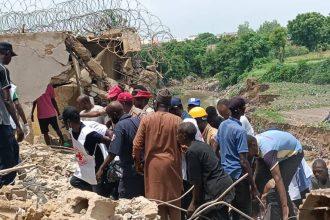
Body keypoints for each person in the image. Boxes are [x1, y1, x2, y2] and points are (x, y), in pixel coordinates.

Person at [133, 89, 183, 220]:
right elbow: (184, 146)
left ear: (155, 104)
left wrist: (137, 163)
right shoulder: (178, 121)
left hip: (153, 166)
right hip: (173, 166)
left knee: (157, 204)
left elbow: (137, 145)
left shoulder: (146, 119)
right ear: (170, 106)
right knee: (175, 204)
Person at [177, 122, 235, 220]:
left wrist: (193, 203)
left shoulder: (191, 152)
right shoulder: (201, 145)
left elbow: (197, 181)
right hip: (224, 184)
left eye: (177, 134)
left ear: (184, 136)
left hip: (216, 189)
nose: (176, 136)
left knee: (215, 216)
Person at [217, 97, 258, 220]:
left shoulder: (223, 125)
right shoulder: (240, 131)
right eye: (244, 107)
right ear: (241, 110)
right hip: (239, 176)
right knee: (244, 211)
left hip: (225, 175)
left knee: (233, 209)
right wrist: (253, 186)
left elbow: (215, 148)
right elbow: (243, 161)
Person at [248, 130, 304, 220]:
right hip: (275, 150)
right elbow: (256, 172)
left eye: (248, 152)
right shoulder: (254, 143)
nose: (248, 155)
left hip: (293, 154)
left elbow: (278, 179)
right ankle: (255, 215)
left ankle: (288, 216)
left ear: (253, 145)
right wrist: (254, 187)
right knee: (257, 184)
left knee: (277, 190)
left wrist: (285, 207)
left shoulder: (268, 152)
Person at [96, 101, 144, 199]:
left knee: (124, 197)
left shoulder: (120, 126)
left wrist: (101, 168)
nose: (110, 119)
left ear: (114, 114)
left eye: (110, 116)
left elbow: (113, 152)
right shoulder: (137, 120)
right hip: (143, 167)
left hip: (130, 170)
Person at [62, 106, 112, 196]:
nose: (63, 124)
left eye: (64, 121)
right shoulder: (72, 129)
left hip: (96, 167)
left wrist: (104, 166)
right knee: (74, 181)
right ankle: (94, 192)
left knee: (99, 197)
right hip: (85, 166)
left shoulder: (89, 134)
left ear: (69, 122)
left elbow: (109, 141)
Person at [169, 97, 203, 219]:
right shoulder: (178, 120)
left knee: (190, 201)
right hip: (182, 169)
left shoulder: (189, 121)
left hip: (190, 168)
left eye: (170, 110)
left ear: (176, 109)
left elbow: (199, 143)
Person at [0, 42, 24, 187]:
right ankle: (7, 188)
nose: (10, 60)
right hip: (2, 122)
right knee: (10, 155)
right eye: (11, 56)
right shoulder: (2, 69)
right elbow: (8, 100)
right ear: (7, 53)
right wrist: (19, 126)